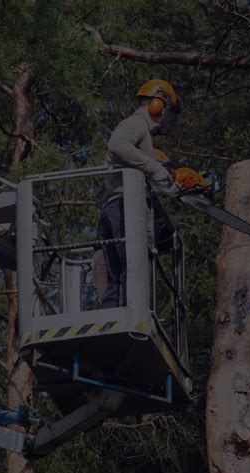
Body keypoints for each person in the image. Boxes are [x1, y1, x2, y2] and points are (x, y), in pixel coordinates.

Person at [96, 79, 181, 309]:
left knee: (118, 276)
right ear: (156, 104)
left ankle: (110, 326)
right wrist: (154, 168)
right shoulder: (136, 124)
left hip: (114, 206)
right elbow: (117, 145)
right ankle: (132, 319)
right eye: (166, 110)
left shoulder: (140, 131)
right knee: (132, 271)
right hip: (125, 207)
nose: (165, 118)